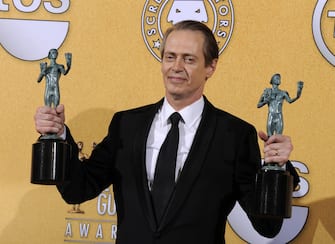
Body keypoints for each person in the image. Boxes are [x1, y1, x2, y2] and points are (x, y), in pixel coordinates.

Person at [34, 20, 299, 244]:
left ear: (211, 67)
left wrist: (278, 169)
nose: (176, 67)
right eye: (170, 57)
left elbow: (267, 227)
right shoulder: (127, 125)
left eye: (189, 59)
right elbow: (77, 190)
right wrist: (58, 136)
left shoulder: (234, 135)